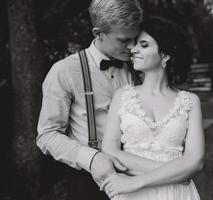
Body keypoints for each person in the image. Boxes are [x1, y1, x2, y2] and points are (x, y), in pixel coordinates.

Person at [36, 0, 143, 199]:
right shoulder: (65, 71)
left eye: (134, 38)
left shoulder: (140, 66)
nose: (131, 47)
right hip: (88, 183)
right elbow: (47, 134)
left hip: (139, 178)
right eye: (123, 40)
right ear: (98, 33)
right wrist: (92, 158)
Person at [101, 16, 205, 200]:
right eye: (135, 45)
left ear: (164, 55)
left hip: (174, 193)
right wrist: (178, 171)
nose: (133, 50)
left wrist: (136, 182)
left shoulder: (190, 102)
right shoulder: (122, 97)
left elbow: (195, 161)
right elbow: (110, 150)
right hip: (133, 196)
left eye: (144, 45)